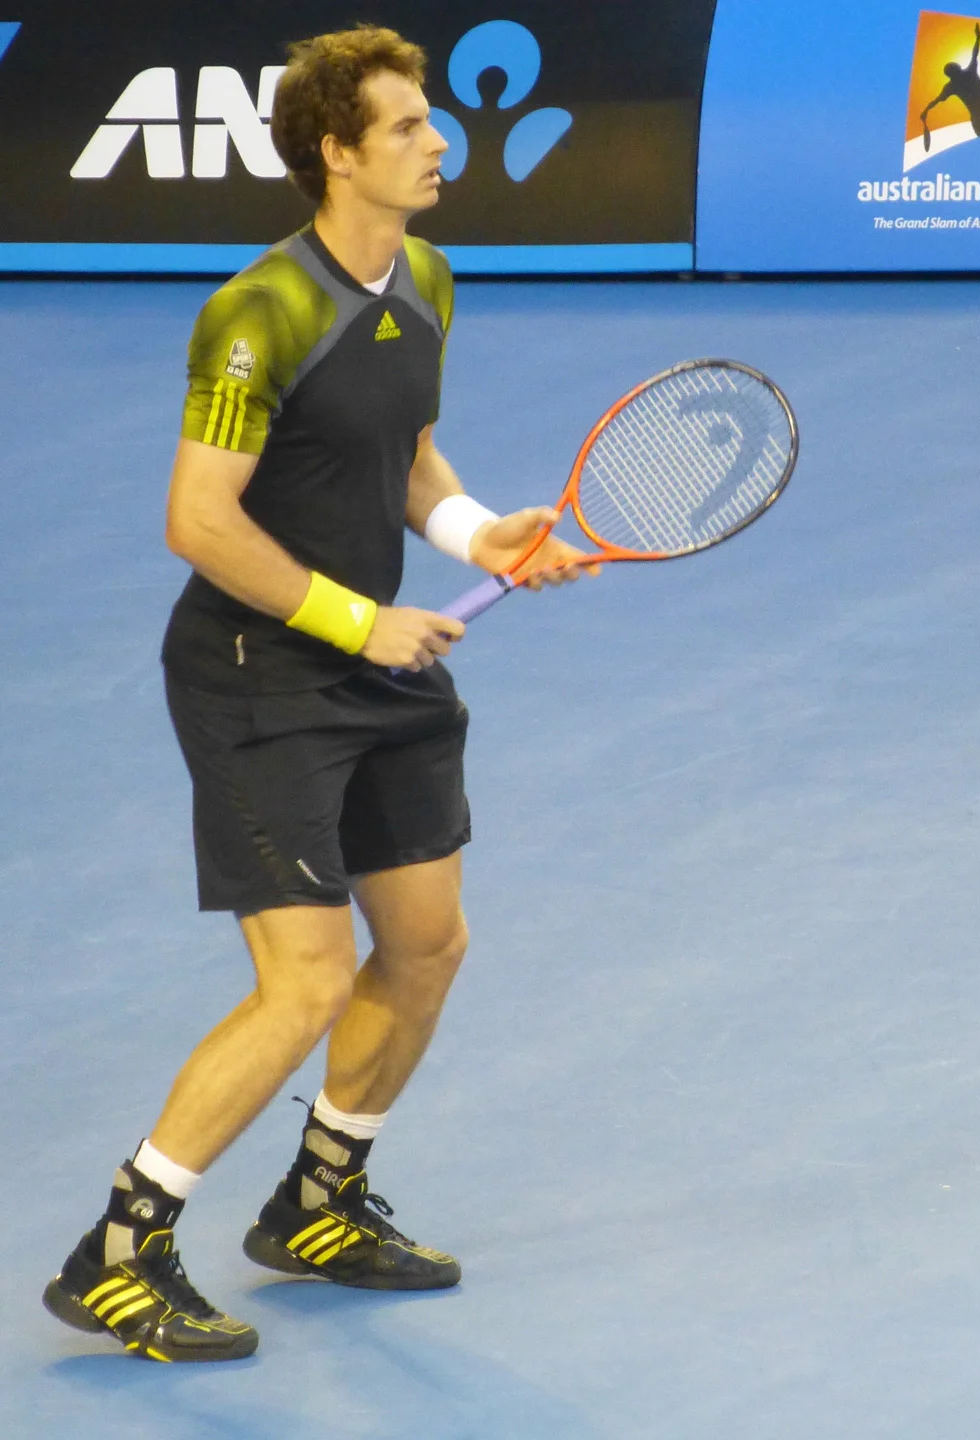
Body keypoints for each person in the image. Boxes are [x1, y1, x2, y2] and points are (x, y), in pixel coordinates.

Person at [43, 23, 587, 1363]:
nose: (439, 141)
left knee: (428, 944)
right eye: (407, 126)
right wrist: (360, 621)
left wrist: (479, 535)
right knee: (305, 982)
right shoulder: (259, 310)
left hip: (379, 662)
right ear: (338, 154)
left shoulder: (428, 277)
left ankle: (319, 1199)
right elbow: (197, 518)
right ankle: (120, 1248)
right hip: (259, 677)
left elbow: (405, 455)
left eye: (431, 118)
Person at [921, 22, 980, 139]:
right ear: (956, 68)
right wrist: (978, 37)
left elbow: (936, 100)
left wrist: (926, 111)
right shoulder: (969, 73)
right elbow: (975, 54)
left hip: (978, 119)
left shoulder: (951, 86)